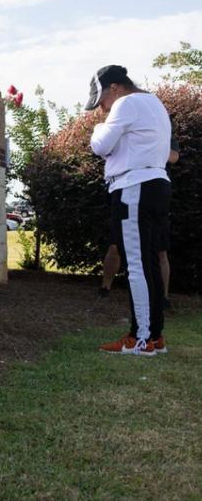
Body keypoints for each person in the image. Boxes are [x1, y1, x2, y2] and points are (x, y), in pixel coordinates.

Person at [86, 65, 171, 356]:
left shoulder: (126, 103)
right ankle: (154, 336)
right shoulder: (154, 104)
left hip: (134, 187)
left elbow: (100, 145)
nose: (102, 109)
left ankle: (141, 339)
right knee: (148, 263)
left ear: (114, 88)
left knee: (136, 264)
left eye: (101, 102)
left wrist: (99, 129)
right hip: (156, 184)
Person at [98, 141, 179, 307]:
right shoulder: (126, 130)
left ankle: (163, 297)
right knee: (115, 246)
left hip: (154, 197)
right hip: (125, 194)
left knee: (159, 250)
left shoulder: (163, 132)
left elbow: (174, 157)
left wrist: (147, 150)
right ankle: (105, 288)